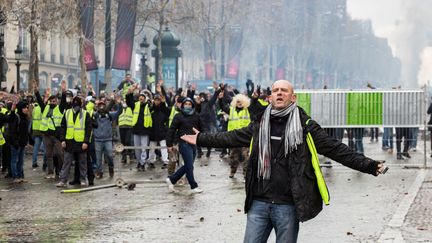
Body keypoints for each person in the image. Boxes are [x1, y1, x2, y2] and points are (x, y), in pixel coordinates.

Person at [180, 80, 387, 242]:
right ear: (270, 97)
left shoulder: (305, 126)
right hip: (258, 203)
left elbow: (336, 149)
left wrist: (369, 165)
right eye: (275, 90)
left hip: (287, 205)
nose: (279, 93)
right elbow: (231, 136)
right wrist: (201, 138)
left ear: (293, 97)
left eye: (284, 90)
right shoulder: (260, 123)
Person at [166, 98, 203, 194]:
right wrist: (169, 144)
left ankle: (171, 179)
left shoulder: (196, 116)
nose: (187, 105)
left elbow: (202, 128)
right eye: (186, 104)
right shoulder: (178, 116)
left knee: (188, 165)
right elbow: (171, 130)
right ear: (182, 105)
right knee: (189, 166)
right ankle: (193, 186)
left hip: (194, 143)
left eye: (189, 104)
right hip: (184, 143)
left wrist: (202, 139)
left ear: (192, 105)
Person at [56, 96, 92, 187]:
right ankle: (63, 180)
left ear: (80, 105)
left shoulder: (85, 114)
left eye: (77, 105)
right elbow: (63, 127)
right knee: (67, 162)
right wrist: (62, 139)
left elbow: (88, 129)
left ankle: (83, 179)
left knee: (82, 162)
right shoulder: (67, 113)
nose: (75, 107)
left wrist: (86, 142)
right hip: (69, 142)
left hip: (81, 142)